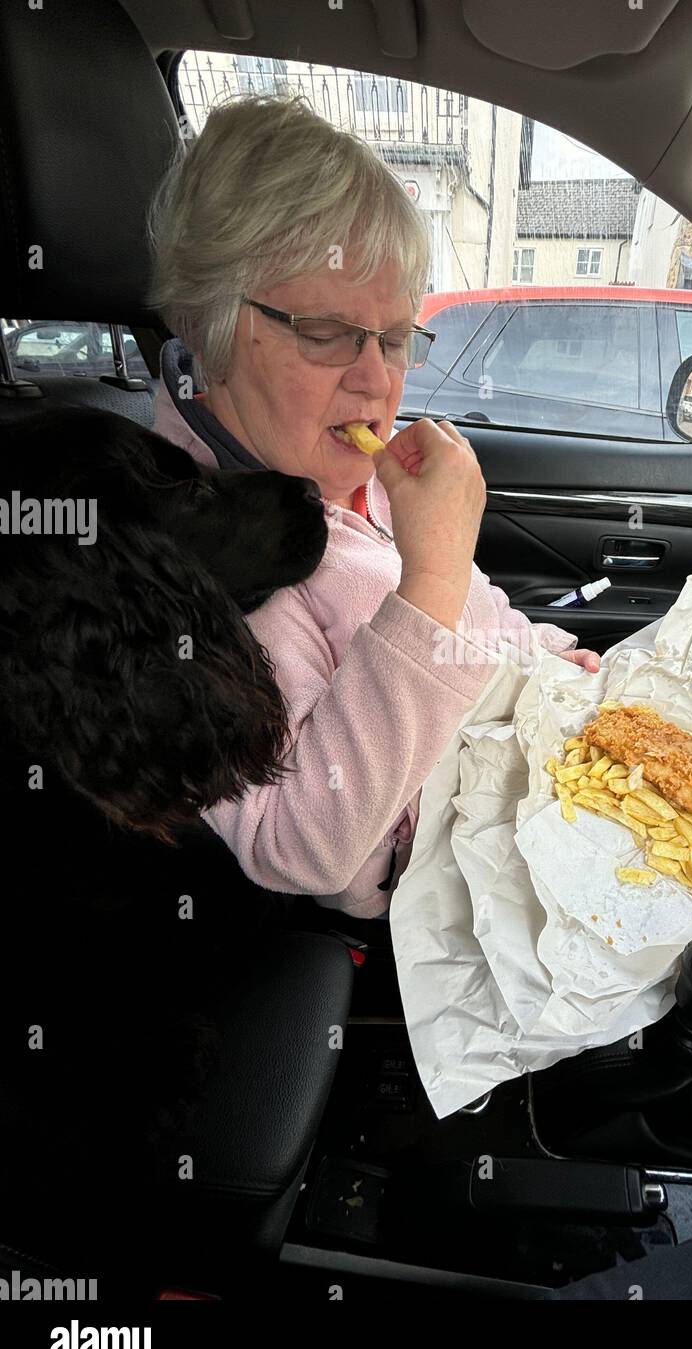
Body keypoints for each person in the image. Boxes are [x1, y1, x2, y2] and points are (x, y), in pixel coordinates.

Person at [149, 95, 600, 918]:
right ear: (209, 327)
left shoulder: (336, 476)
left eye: (394, 339)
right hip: (433, 909)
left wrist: (540, 658)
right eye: (324, 332)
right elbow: (301, 847)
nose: (375, 380)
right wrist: (429, 575)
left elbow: (472, 616)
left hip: (509, 804)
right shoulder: (193, 558)